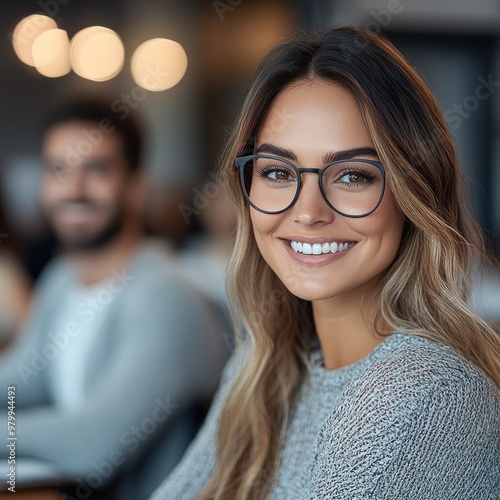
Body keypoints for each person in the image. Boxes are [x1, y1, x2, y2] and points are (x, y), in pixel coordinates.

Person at [150, 26, 500, 499]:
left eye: (353, 175)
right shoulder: (265, 365)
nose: (309, 212)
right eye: (277, 171)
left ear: (413, 193)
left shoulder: (422, 395)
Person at [0, 97, 229, 499]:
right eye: (58, 170)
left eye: (96, 170)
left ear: (136, 187)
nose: (73, 189)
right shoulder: (61, 279)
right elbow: (20, 382)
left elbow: (91, 443)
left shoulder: (164, 295)